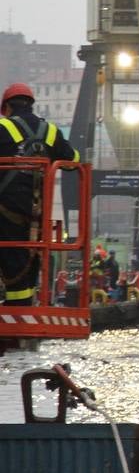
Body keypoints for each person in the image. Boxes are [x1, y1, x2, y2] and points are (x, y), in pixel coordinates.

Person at [0, 83, 79, 306]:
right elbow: (73, 160)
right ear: (31, 105)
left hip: (6, 210)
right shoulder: (51, 131)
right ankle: (22, 307)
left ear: (6, 107)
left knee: (11, 258)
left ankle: (16, 308)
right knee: (28, 260)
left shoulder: (2, 127)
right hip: (37, 213)